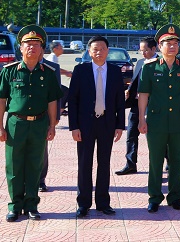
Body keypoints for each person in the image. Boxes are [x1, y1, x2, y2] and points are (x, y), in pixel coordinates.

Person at [0, 25, 61, 222]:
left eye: (36, 45)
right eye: (28, 44)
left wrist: (52, 126)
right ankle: (15, 206)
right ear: (21, 48)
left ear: (41, 50)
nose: (32, 47)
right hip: (16, 124)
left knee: (34, 166)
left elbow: (52, 101)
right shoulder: (9, 71)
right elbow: (1, 101)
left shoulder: (48, 73)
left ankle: (31, 205)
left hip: (39, 124)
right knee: (14, 166)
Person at [138, 24, 180, 213]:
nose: (172, 47)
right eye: (168, 43)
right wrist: (141, 118)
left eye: (175, 43)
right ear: (160, 46)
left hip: (179, 120)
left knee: (177, 160)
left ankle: (175, 197)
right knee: (155, 160)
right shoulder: (150, 67)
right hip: (156, 121)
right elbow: (143, 94)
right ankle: (154, 197)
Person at [68, 35, 126, 217]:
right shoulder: (80, 70)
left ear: (108, 51)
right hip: (85, 124)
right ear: (89, 52)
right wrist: (74, 126)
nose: (99, 52)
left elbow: (119, 100)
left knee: (104, 163)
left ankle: (103, 202)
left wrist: (120, 125)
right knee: (85, 163)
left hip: (107, 123)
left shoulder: (115, 71)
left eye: (102, 49)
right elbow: (73, 100)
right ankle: (83, 203)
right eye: (95, 49)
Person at [116, 37, 158, 175]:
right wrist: (129, 91)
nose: (142, 53)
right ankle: (130, 164)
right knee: (131, 135)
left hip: (152, 105)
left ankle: (165, 163)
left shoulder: (160, 64)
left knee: (155, 137)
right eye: (141, 50)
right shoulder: (140, 62)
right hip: (136, 104)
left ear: (154, 48)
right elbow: (135, 80)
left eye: (145, 50)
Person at [39, 52, 63, 193]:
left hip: (44, 116)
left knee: (42, 150)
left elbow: (56, 93)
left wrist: (56, 116)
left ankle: (41, 180)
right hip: (23, 117)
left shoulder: (53, 67)